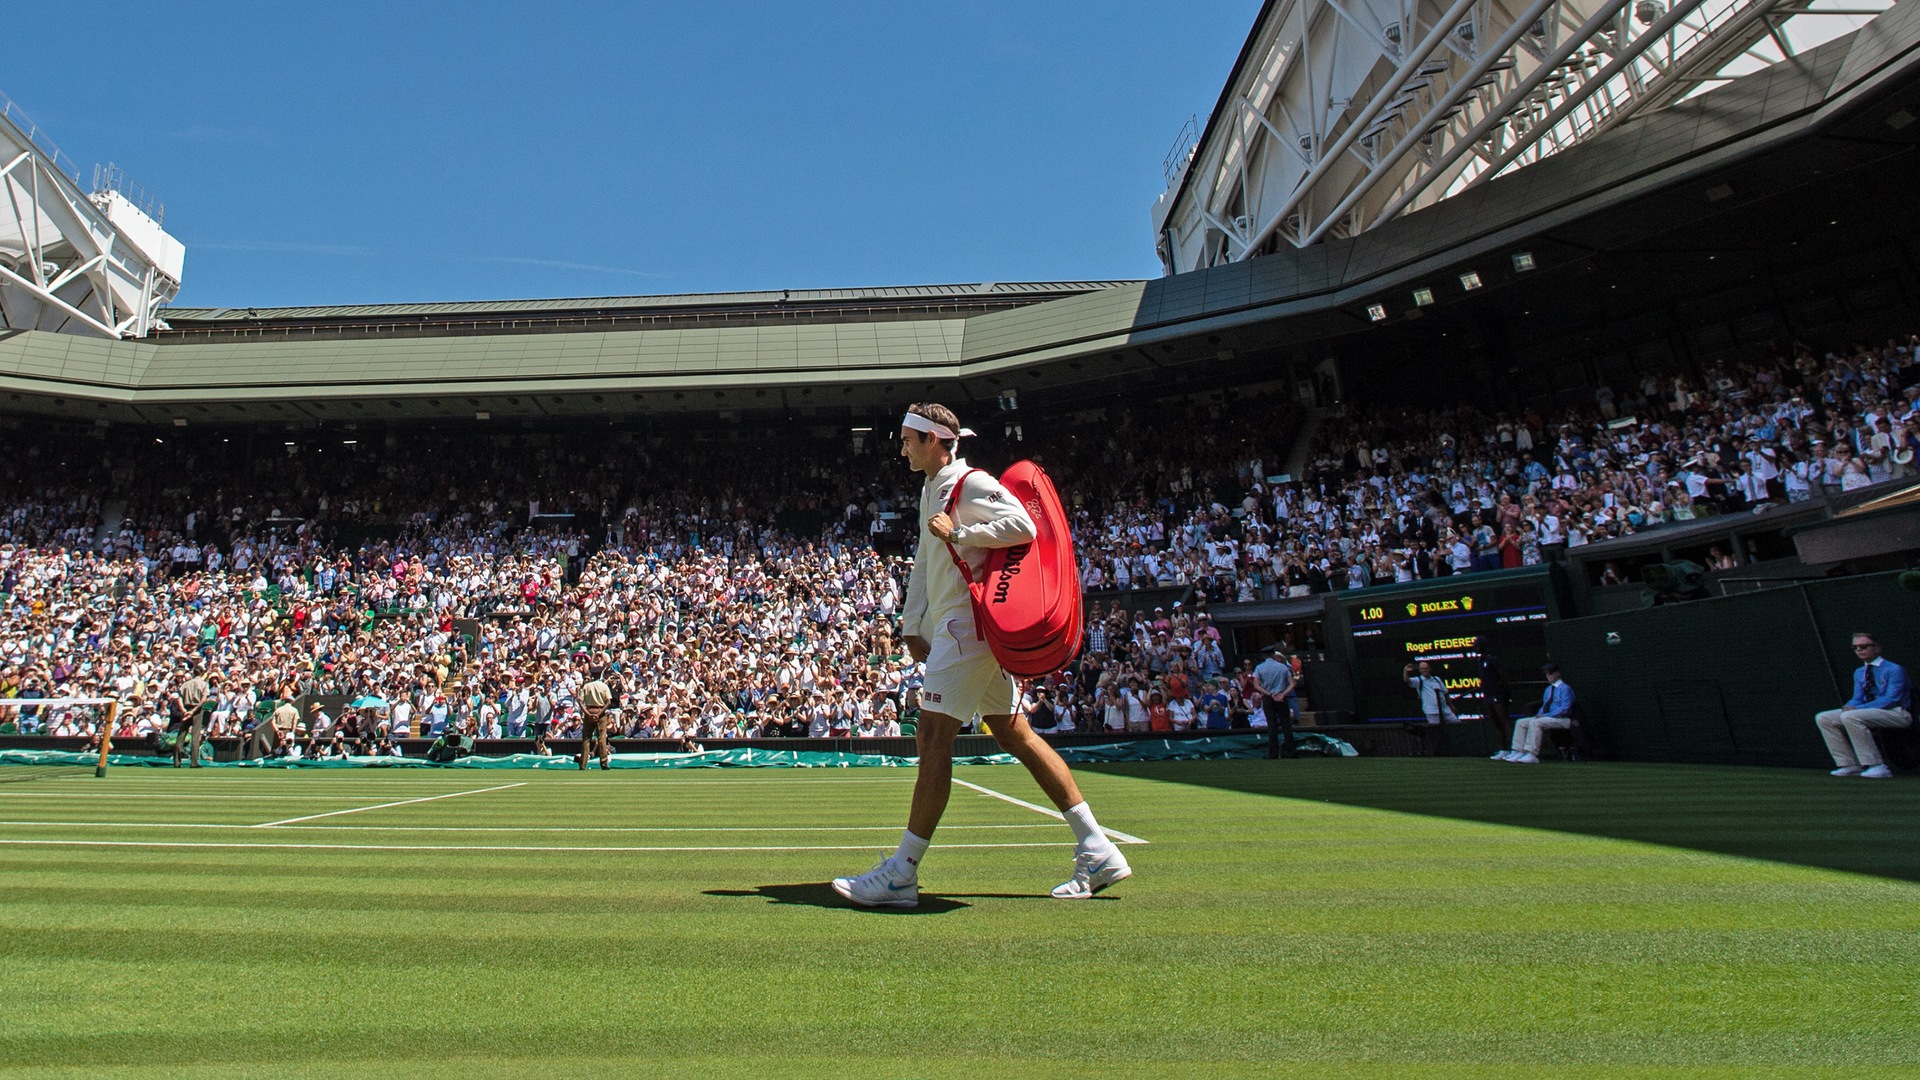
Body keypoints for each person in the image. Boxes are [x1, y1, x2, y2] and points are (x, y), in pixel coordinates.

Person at [833, 403, 1131, 908]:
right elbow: (927, 564)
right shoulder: (934, 486)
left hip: (968, 629)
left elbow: (1023, 526)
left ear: (933, 441)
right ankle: (1096, 846)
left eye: (908, 438)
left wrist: (963, 534)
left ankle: (902, 872)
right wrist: (911, 624)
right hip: (960, 629)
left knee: (931, 737)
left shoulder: (970, 483)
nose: (901, 446)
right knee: (1015, 732)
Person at [1815, 632, 1911, 778]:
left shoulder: (1894, 669)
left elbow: (1891, 699)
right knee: (1824, 718)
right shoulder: (1859, 672)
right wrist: (1847, 706)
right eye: (1855, 647)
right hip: (1866, 711)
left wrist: (1856, 709)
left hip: (1898, 712)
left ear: (1876, 648)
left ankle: (1877, 765)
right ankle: (1849, 764)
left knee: (1851, 716)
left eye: (1864, 646)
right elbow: (1858, 698)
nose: (1859, 650)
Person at [1493, 663, 1575, 763]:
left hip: (1562, 719)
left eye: (1551, 674)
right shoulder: (1548, 689)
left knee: (1535, 723)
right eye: (1547, 674)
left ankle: (1532, 754)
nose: (1549, 676)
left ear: (1558, 674)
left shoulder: (1565, 688)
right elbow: (1545, 705)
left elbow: (1565, 708)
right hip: (1547, 718)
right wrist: (1538, 715)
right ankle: (1518, 751)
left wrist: (1544, 716)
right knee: (1521, 722)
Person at [1253, 644, 1297, 757]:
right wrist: (1282, 694)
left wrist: (1269, 694)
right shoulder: (1282, 667)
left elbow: (1256, 685)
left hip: (1268, 698)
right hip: (1281, 697)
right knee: (1286, 725)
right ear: (1273, 655)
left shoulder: (1259, 668)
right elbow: (1292, 683)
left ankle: (1273, 753)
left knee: (1272, 726)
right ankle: (1291, 752)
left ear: (1264, 656)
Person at [577, 677, 614, 771]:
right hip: (600, 711)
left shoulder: (586, 686)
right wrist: (599, 713)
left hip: (589, 710)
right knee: (601, 738)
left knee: (586, 739)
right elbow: (609, 701)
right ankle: (604, 763)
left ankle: (582, 764)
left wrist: (588, 713)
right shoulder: (604, 686)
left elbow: (580, 701)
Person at [1404, 660, 1458, 725]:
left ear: (1429, 669)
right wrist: (1405, 671)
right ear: (1420, 670)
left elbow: (1445, 693)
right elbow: (1407, 680)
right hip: (1431, 711)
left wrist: (1451, 706)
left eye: (1426, 668)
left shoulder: (1437, 679)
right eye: (1422, 669)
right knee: (1435, 729)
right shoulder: (1418, 680)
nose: (1424, 670)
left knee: (1456, 723)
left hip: (1444, 709)